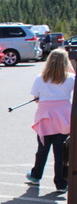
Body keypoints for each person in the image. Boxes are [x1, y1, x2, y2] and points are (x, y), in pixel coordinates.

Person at [26, 48, 75, 193]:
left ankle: (36, 176)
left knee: (42, 149)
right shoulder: (71, 78)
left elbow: (36, 98)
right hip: (63, 118)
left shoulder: (40, 78)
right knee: (60, 152)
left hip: (45, 117)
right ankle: (60, 183)